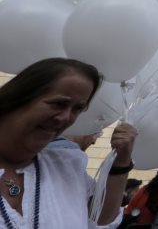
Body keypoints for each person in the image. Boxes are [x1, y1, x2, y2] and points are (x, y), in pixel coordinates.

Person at [0, 57, 137, 228]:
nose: (66, 118)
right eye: (58, 103)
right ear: (19, 97)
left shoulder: (66, 166)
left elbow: (101, 218)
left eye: (77, 109)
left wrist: (121, 162)